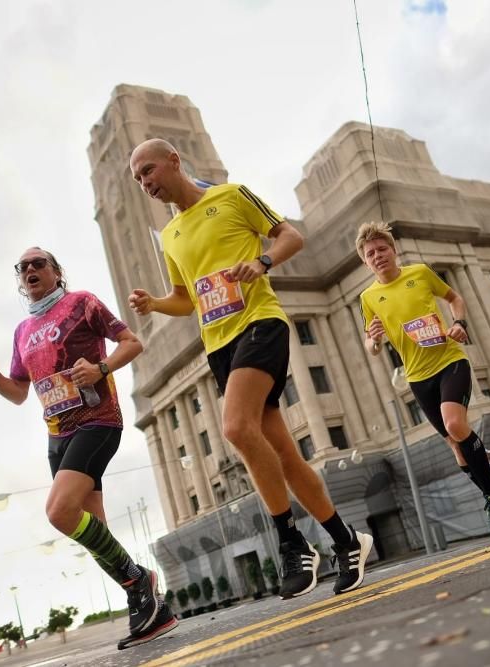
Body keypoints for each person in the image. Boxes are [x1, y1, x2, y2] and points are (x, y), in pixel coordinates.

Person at [127, 139, 373, 598]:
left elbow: (291, 236)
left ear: (174, 160)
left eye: (149, 170)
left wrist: (262, 262)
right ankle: (346, 540)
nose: (145, 183)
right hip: (218, 346)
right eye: (138, 179)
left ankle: (290, 541)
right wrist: (155, 303)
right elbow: (187, 298)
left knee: (236, 428)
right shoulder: (172, 237)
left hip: (260, 323)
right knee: (282, 453)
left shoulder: (231, 195)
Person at [0, 247, 176, 648]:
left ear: (56, 271)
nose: (30, 269)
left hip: (97, 421)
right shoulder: (22, 332)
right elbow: (17, 394)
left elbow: (132, 344)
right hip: (57, 436)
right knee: (94, 531)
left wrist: (100, 368)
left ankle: (140, 580)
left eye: (38, 263)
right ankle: (153, 612)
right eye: (23, 266)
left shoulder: (81, 303)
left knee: (59, 512)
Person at [355, 221, 490, 539]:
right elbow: (371, 346)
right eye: (370, 254)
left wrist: (458, 322)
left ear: (393, 251)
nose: (377, 256)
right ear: (365, 261)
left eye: (381, 249)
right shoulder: (368, 297)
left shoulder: (419, 273)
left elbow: (455, 298)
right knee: (458, 449)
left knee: (455, 426)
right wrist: (374, 340)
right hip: (418, 377)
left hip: (450, 361)